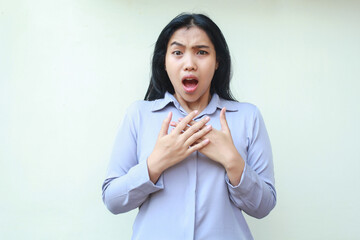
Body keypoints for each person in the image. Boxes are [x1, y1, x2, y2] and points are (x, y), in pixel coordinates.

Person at [102, 13, 276, 240]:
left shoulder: (247, 117)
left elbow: (263, 207)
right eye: (177, 52)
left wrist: (233, 162)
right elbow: (113, 201)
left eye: (201, 52)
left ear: (217, 61)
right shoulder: (139, 115)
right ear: (164, 61)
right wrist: (156, 163)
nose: (190, 64)